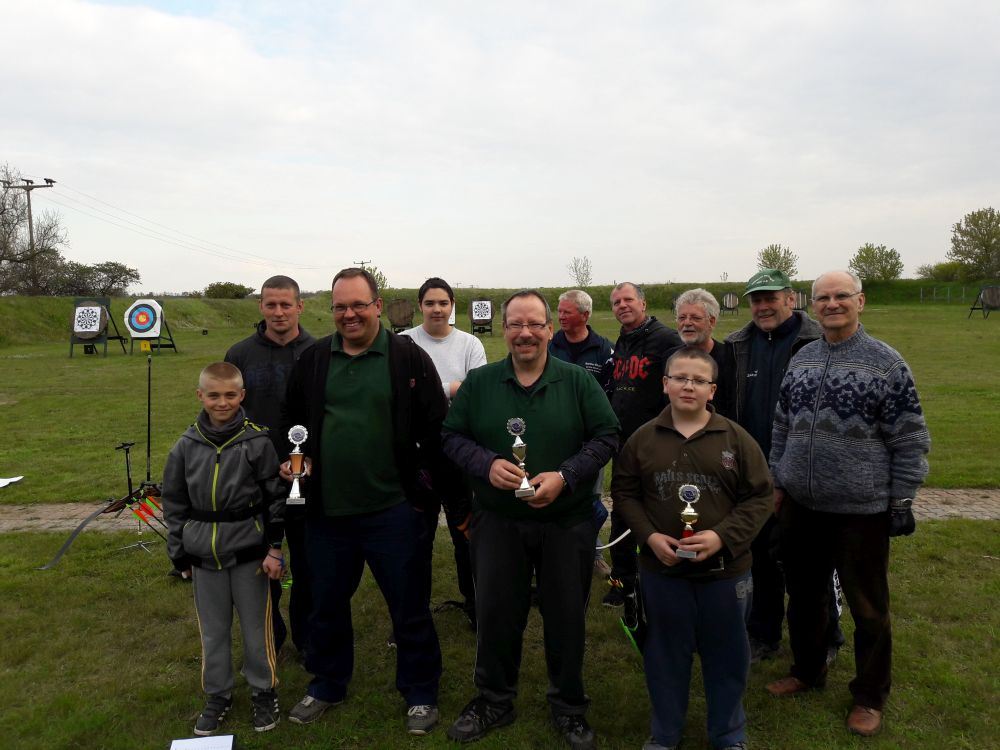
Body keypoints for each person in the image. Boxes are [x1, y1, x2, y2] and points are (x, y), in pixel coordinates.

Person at [441, 290, 620, 749]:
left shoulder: (577, 380)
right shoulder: (480, 382)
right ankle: (494, 700)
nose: (525, 333)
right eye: (516, 324)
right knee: (497, 614)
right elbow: (452, 437)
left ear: (549, 329)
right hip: (498, 521)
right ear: (504, 330)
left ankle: (568, 706)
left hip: (566, 521)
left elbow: (607, 435)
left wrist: (567, 475)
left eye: (535, 324)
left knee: (566, 616)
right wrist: (485, 464)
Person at [281, 267, 447, 736]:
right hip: (328, 511)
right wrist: (293, 459)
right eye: (340, 306)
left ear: (377, 306)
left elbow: (437, 427)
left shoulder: (407, 357)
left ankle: (420, 692)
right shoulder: (314, 359)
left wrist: (426, 491)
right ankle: (327, 684)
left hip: (393, 510)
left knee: (409, 607)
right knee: (326, 606)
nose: (349, 314)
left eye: (358, 305)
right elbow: (291, 422)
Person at [766, 270, 930, 738]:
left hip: (861, 509)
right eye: (823, 297)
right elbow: (781, 424)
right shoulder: (803, 359)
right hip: (800, 504)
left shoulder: (886, 363)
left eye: (842, 296)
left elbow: (910, 437)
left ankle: (870, 695)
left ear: (861, 301)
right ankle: (807, 670)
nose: (832, 303)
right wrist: (778, 478)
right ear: (811, 305)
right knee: (804, 596)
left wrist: (901, 499)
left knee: (868, 607)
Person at [611, 347, 772, 750]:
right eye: (680, 378)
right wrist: (649, 536)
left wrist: (722, 537)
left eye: (699, 380)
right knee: (665, 655)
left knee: (728, 656)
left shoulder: (736, 439)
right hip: (662, 572)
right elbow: (625, 494)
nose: (688, 386)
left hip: (726, 574)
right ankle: (665, 734)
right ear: (665, 384)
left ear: (712, 390)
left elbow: (760, 498)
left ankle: (728, 735)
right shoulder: (643, 439)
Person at [718, 268, 843, 664]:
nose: (763, 306)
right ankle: (763, 634)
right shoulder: (737, 345)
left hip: (804, 473)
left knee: (809, 564)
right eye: (756, 300)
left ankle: (826, 637)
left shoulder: (817, 339)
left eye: (770, 298)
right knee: (758, 559)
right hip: (752, 474)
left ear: (790, 298)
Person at [162, 362, 286, 736]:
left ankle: (263, 690)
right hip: (203, 557)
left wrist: (274, 548)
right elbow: (174, 502)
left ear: (242, 396)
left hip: (250, 555)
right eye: (213, 395)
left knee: (256, 630)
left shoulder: (257, 442)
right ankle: (218, 694)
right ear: (200, 396)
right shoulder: (185, 446)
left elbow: (275, 498)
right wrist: (179, 553)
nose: (222, 403)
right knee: (213, 632)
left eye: (230, 395)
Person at [225, 275, 315, 657]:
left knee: (310, 564)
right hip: (256, 481)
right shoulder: (240, 354)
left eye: (286, 304)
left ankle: (309, 640)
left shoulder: (318, 351)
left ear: (300, 307)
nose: (278, 312)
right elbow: (226, 414)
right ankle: (270, 636)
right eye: (271, 304)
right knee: (261, 564)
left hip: (305, 478)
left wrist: (311, 459)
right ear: (261, 306)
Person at [402, 276, 487, 626]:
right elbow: (399, 393)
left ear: (452, 306)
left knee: (465, 534)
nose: (436, 309)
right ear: (420, 306)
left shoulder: (469, 343)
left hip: (459, 451)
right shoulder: (405, 343)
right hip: (417, 454)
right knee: (415, 539)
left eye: (443, 303)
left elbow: (477, 392)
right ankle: (413, 615)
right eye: (430, 303)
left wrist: (432, 388)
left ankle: (476, 607)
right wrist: (452, 387)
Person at [605, 282, 682, 609]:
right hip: (624, 444)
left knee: (660, 512)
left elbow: (677, 389)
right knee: (623, 511)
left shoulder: (666, 340)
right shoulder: (623, 340)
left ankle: (661, 577)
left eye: (628, 300)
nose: (622, 305)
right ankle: (622, 582)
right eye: (616, 302)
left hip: (656, 444)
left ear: (643, 303)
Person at [549, 288, 615, 576]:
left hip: (590, 442)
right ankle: (548, 551)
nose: (561, 316)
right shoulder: (550, 345)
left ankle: (593, 552)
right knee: (551, 491)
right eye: (559, 311)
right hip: (553, 436)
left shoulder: (604, 350)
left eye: (567, 311)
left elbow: (611, 395)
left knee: (590, 498)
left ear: (585, 315)